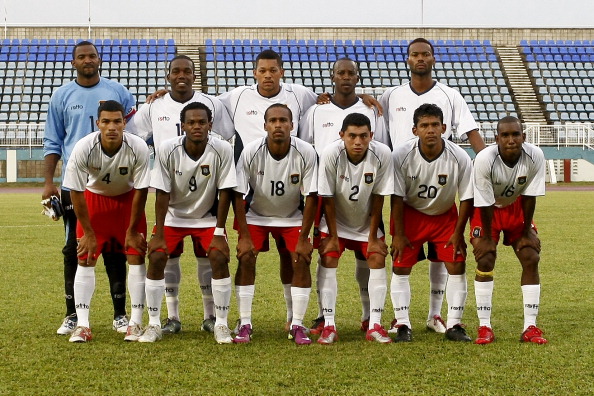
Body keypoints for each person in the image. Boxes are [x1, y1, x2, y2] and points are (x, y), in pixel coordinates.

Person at [379, 37, 486, 334]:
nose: (421, 58)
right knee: (400, 261)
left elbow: (471, 130)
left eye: (426, 53)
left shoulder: (450, 97)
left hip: (441, 205)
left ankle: (444, 319)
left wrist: (491, 161)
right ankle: (402, 321)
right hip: (409, 194)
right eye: (415, 54)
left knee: (449, 260)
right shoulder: (391, 95)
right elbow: (374, 121)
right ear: (408, 59)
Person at [127, 54, 234, 335]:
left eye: (187, 71)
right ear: (168, 75)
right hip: (172, 201)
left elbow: (226, 133)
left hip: (205, 203)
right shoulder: (155, 106)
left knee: (208, 258)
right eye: (176, 71)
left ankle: (213, 318)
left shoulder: (212, 105)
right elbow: (134, 135)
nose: (182, 75)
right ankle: (169, 318)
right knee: (164, 257)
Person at [43, 40, 138, 335]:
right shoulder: (62, 95)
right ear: (73, 62)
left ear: (100, 60)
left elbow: (134, 128)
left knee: (115, 248)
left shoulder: (117, 91)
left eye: (92, 56)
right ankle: (72, 314)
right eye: (82, 56)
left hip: (115, 182)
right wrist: (48, 182)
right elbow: (53, 141)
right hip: (77, 183)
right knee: (76, 247)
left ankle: (120, 314)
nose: (88, 60)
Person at [298, 57, 388, 335]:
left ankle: (370, 319)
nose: (346, 77)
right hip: (326, 193)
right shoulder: (315, 110)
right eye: (341, 73)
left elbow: (380, 150)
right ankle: (325, 319)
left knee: (370, 258)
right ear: (332, 76)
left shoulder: (372, 110)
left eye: (351, 73)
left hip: (363, 192)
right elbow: (305, 147)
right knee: (326, 254)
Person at [140, 102, 236, 344]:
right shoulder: (166, 149)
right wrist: (159, 232)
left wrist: (218, 231)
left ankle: (220, 323)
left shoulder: (222, 148)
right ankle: (155, 324)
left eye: (202, 122)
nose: (196, 126)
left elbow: (225, 191)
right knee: (157, 255)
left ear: (210, 125)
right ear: (182, 125)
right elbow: (161, 192)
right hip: (174, 216)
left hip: (207, 218)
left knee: (218, 256)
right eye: (191, 122)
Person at [61, 100, 150, 343]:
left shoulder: (138, 147)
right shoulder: (84, 147)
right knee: (86, 257)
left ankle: (135, 322)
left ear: (124, 123)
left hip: (127, 203)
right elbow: (76, 191)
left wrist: (132, 230)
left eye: (117, 121)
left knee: (136, 255)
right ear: (98, 123)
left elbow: (142, 189)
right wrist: (88, 232)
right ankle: (83, 324)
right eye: (106, 121)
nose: (112, 127)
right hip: (94, 203)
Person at [233, 104, 318, 345]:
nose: (278, 125)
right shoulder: (250, 151)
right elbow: (238, 194)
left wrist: (304, 237)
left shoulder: (306, 152)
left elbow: (311, 196)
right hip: (256, 215)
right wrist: (244, 235)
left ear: (292, 125)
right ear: (265, 125)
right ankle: (245, 321)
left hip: (292, 216)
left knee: (300, 258)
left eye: (283, 120)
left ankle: (297, 322)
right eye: (273, 120)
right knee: (246, 256)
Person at [390, 103, 473, 343]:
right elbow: (395, 196)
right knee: (401, 266)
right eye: (424, 125)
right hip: (410, 213)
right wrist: (398, 233)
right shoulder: (401, 155)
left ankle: (454, 324)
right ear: (415, 129)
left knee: (456, 264)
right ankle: (403, 323)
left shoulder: (458, 156)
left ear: (444, 128)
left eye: (435, 125)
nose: (430, 130)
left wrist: (459, 232)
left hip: (445, 215)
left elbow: (466, 197)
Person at [316, 112, 394, 345]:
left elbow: (380, 197)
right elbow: (327, 197)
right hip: (336, 222)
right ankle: (328, 324)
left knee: (376, 258)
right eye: (352, 136)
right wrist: (333, 236)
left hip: (365, 223)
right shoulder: (331, 154)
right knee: (328, 259)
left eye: (363, 136)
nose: (358, 142)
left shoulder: (382, 154)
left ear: (371, 135)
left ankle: (373, 323)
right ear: (342, 136)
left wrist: (372, 237)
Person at [470, 116, 547, 345]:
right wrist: (485, 237)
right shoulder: (484, 159)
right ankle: (484, 326)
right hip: (488, 211)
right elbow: (483, 202)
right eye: (505, 135)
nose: (511, 139)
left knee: (531, 256)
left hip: (517, 208)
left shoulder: (535, 155)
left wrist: (526, 232)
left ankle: (530, 327)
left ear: (523, 136)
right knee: (485, 258)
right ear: (497, 139)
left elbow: (530, 196)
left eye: (516, 134)